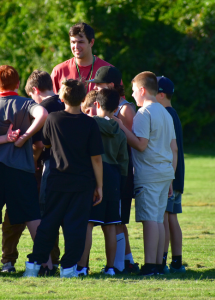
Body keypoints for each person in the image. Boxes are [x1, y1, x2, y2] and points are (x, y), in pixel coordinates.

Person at [24, 79, 104, 278]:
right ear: (84, 98)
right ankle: (68, 268)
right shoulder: (90, 124)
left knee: (49, 224)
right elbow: (96, 158)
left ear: (61, 97)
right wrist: (100, 186)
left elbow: (47, 144)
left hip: (56, 181)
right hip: (82, 183)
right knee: (76, 227)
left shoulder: (52, 119)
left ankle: (33, 265)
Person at [0, 65, 48, 266]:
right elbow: (42, 114)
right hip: (21, 169)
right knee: (32, 216)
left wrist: (2, 139)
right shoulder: (26, 104)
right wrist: (24, 137)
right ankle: (46, 263)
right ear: (17, 83)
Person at [0, 70, 65, 275]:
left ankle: (8, 260)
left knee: (15, 216)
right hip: (63, 170)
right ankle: (52, 259)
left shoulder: (39, 109)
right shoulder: (65, 105)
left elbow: (37, 145)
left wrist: (32, 162)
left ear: (35, 90)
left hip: (38, 169)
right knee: (49, 218)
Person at [117, 71, 178, 276]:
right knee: (159, 218)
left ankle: (150, 265)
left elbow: (141, 145)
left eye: (134, 91)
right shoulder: (165, 112)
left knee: (149, 219)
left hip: (149, 174)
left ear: (142, 90)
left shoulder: (144, 113)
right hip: (164, 172)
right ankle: (158, 264)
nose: (133, 95)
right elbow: (172, 146)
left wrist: (121, 128)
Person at [88, 66, 139, 273]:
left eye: (98, 85)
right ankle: (120, 262)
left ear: (110, 86)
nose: (95, 87)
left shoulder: (125, 109)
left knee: (117, 221)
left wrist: (114, 123)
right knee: (114, 221)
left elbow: (132, 142)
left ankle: (125, 261)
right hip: (116, 170)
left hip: (119, 169)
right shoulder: (105, 112)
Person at [77, 88, 128, 276]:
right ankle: (111, 268)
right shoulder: (121, 131)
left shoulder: (90, 124)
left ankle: (82, 266)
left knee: (88, 223)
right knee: (111, 225)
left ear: (96, 105)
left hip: (95, 176)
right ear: (116, 108)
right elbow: (124, 162)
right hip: (114, 177)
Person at [156, 76, 186, 274]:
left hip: (170, 174)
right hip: (177, 174)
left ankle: (163, 261)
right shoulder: (173, 113)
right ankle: (177, 261)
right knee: (172, 217)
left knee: (165, 218)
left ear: (160, 94)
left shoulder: (165, 114)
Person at [50, 22, 121, 94]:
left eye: (81, 42)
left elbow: (121, 103)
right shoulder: (59, 71)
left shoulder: (109, 72)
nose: (76, 46)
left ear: (91, 42)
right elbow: (50, 102)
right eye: (73, 42)